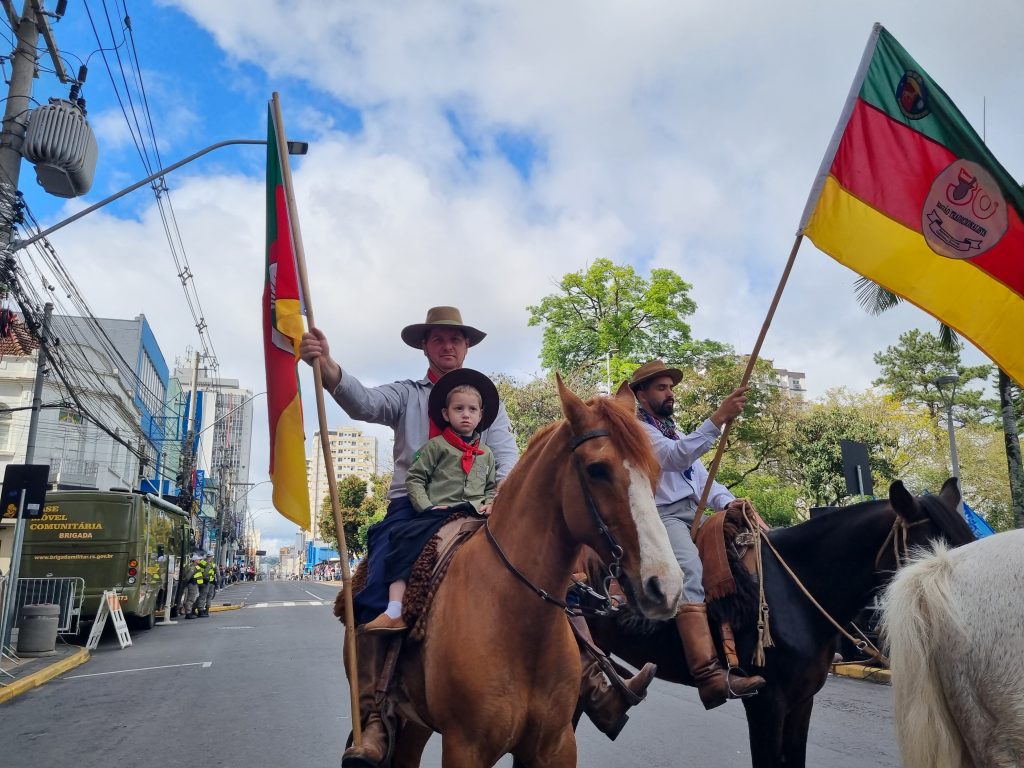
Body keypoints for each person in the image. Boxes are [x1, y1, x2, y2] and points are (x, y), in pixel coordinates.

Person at [300, 307, 656, 766]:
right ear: (425, 346)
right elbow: (362, 401)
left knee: (553, 574)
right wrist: (326, 365)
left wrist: (500, 500)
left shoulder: (486, 403)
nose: (448, 346)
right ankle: (377, 714)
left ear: (466, 348)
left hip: (483, 508)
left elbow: (507, 457)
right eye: (439, 339)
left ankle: (593, 675)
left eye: (457, 339)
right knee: (377, 585)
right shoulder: (407, 395)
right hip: (416, 510)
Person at [630, 359, 766, 709]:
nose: (669, 393)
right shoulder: (639, 431)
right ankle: (708, 676)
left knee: (746, 552)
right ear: (641, 394)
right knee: (690, 570)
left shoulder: (671, 429)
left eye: (670, 387)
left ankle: (748, 648)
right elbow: (675, 459)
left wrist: (729, 502)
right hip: (662, 516)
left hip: (695, 511)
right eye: (661, 388)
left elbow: (701, 480)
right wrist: (718, 417)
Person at [364, 368, 499, 633]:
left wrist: (490, 503)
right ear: (446, 414)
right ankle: (394, 608)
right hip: (439, 512)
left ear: (481, 416)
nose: (466, 414)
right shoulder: (435, 447)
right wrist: (426, 506)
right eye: (459, 408)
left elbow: (490, 487)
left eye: (472, 409)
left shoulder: (487, 454)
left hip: (475, 513)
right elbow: (414, 479)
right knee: (402, 539)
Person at [181, 554, 203, 620]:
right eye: (198, 559)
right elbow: (188, 577)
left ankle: (189, 612)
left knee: (192, 598)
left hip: (194, 584)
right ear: (195, 560)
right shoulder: (193, 568)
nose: (200, 560)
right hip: (192, 584)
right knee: (190, 599)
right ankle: (188, 613)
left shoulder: (195, 567)